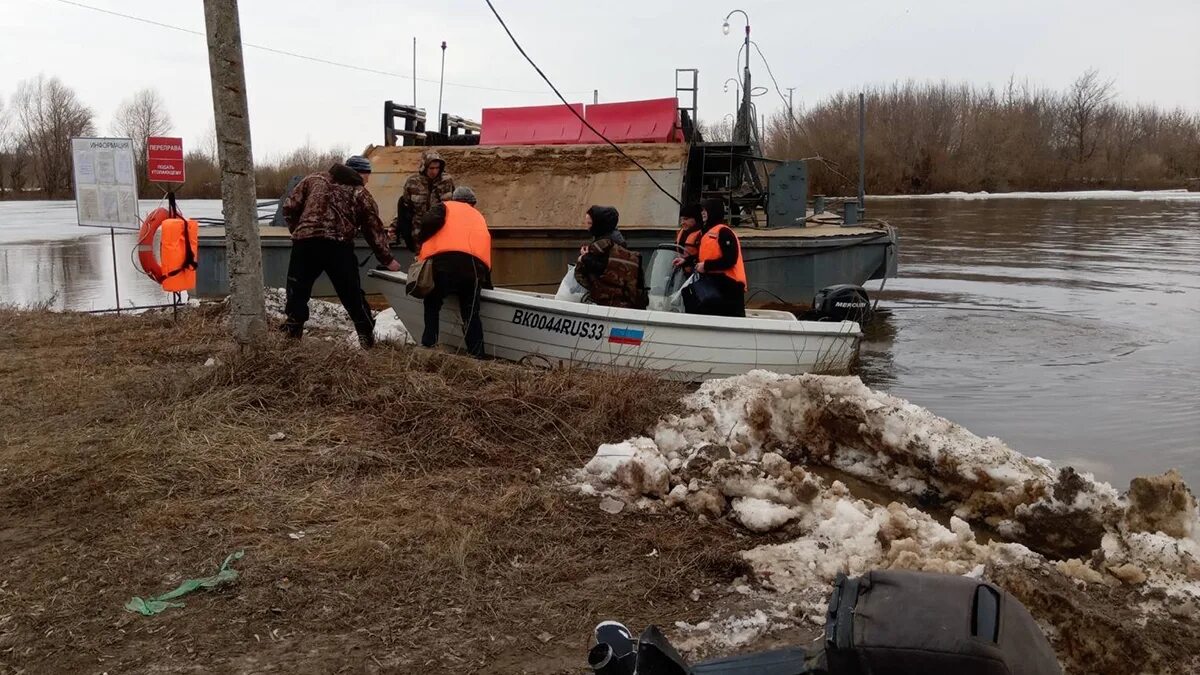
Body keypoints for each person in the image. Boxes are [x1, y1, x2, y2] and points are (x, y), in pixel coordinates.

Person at [280, 155, 400, 347]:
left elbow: (289, 207)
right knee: (351, 294)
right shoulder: (360, 193)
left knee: (297, 291)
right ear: (360, 173)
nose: (368, 180)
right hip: (338, 247)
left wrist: (300, 230)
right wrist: (387, 259)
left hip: (305, 245)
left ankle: (291, 339)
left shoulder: (313, 179)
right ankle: (367, 339)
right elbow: (373, 229)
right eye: (367, 175)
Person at [415, 185, 492, 358]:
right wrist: (487, 283)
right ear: (473, 203)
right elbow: (484, 249)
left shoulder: (445, 207)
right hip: (474, 270)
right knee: (471, 313)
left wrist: (421, 242)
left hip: (445, 265)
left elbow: (426, 222)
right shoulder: (479, 217)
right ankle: (477, 354)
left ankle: (429, 344)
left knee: (432, 303)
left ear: (454, 199)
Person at [574, 205, 648, 310]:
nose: (587, 227)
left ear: (599, 224)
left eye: (590, 223)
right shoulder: (618, 241)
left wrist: (583, 258)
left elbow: (604, 269)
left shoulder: (603, 246)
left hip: (608, 303)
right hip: (627, 302)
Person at [684, 198, 747, 317]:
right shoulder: (708, 233)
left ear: (713, 211)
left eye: (705, 210)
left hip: (730, 287)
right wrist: (685, 261)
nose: (702, 212)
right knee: (688, 294)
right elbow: (703, 257)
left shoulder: (724, 232)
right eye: (701, 210)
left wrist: (706, 266)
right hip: (714, 284)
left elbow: (730, 260)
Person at [395, 149, 455, 249]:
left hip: (440, 231)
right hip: (419, 234)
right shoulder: (412, 182)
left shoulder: (447, 181)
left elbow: (454, 206)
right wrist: (394, 229)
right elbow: (404, 208)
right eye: (431, 168)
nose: (434, 171)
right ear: (424, 167)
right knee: (420, 262)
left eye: (437, 168)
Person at [672, 203, 704, 275]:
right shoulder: (681, 232)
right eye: (681, 219)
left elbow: (703, 255)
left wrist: (687, 261)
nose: (682, 223)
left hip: (697, 273)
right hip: (681, 273)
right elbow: (674, 250)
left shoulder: (703, 234)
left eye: (686, 219)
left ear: (696, 219)